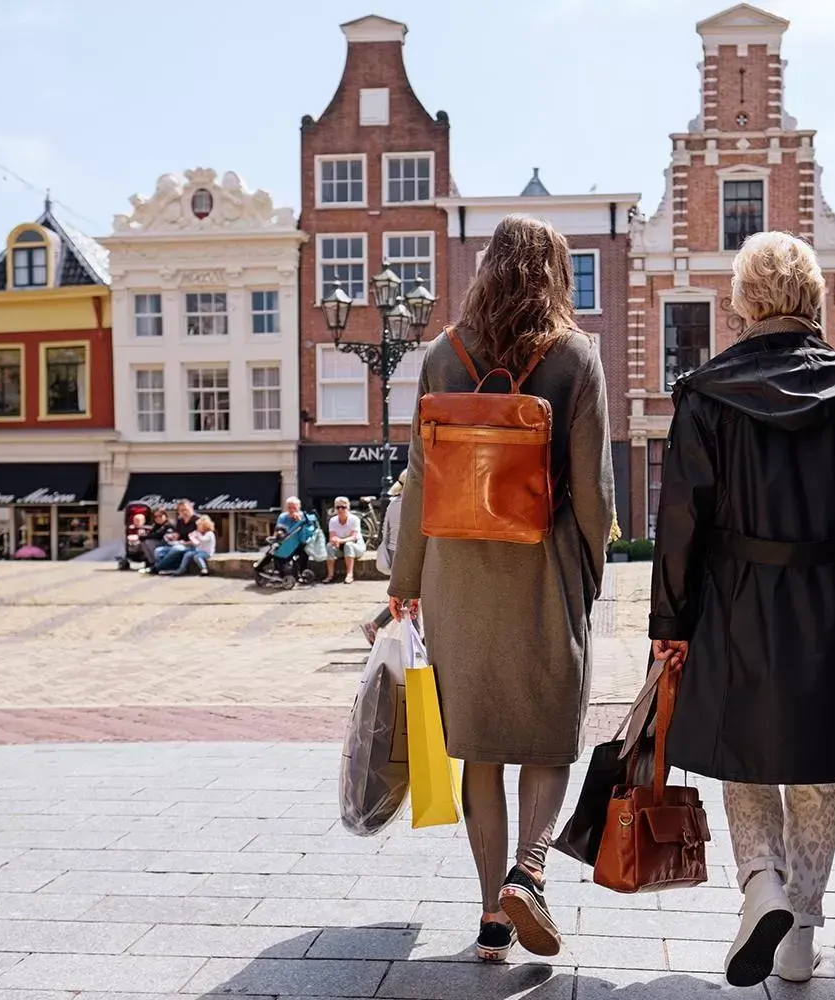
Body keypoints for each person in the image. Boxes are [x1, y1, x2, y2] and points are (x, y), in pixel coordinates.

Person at [648, 231, 835, 988]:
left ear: (742, 302)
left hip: (737, 605)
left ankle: (761, 889)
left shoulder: (706, 393)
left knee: (745, 762)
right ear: (814, 297)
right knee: (816, 775)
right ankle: (802, 931)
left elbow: (680, 520)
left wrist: (670, 625)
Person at [387, 214, 616, 965]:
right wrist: (586, 576)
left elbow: (420, 481)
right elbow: (595, 492)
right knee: (549, 732)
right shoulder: (576, 356)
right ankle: (534, 866)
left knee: (478, 750)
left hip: (457, 574)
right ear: (556, 271)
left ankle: (492, 916)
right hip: (542, 572)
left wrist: (406, 582)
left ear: (485, 270)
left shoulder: (440, 357)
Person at [362, 471, 407, 645]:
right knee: (408, 594)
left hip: (394, 552)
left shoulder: (393, 503)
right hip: (404, 553)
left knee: (404, 594)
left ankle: (412, 637)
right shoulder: (409, 504)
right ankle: (375, 625)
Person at [146, 500, 198, 575]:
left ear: (191, 509)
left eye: (185, 509)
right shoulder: (180, 520)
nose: (183, 512)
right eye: (181, 510)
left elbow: (200, 540)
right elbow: (178, 533)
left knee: (177, 548)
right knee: (158, 551)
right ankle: (171, 567)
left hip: (192, 545)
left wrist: (184, 543)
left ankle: (157, 568)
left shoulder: (197, 520)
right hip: (180, 544)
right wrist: (173, 536)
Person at [324, 496, 365, 583]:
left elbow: (353, 537)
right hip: (340, 547)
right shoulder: (333, 520)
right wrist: (335, 540)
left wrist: (340, 540)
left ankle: (349, 575)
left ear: (348, 508)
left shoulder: (354, 519)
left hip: (356, 546)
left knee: (348, 545)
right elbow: (332, 537)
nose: (340, 510)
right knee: (329, 546)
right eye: (338, 507)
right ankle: (330, 575)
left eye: (343, 507)